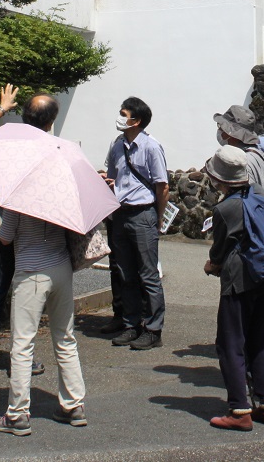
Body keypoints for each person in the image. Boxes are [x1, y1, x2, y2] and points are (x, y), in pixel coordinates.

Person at [0, 94, 86, 437]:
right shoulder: (65, 163)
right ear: (51, 120)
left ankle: (17, 413)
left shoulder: (20, 173)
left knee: (23, 342)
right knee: (65, 338)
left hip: (30, 268)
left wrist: (4, 215)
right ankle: (74, 405)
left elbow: (6, 236)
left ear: (26, 119)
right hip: (60, 264)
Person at [202, 145, 264, 431]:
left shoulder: (225, 209)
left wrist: (212, 265)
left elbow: (219, 252)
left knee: (231, 343)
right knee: (261, 339)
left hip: (239, 280)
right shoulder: (260, 194)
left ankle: (239, 410)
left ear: (219, 179)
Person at [0, 84, 45, 377]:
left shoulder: (4, 140)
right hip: (31, 234)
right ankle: (23, 359)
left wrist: (3, 106)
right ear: (50, 121)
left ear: (24, 116)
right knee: (26, 297)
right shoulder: (48, 148)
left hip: (2, 227)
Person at [214, 105, 264, 368]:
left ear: (231, 132)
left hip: (250, 236)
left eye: (223, 128)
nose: (219, 132)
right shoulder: (258, 155)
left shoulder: (243, 160)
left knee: (257, 297)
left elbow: (243, 200)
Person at [103, 96, 169, 350]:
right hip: (120, 213)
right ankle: (131, 324)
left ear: (137, 120)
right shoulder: (117, 144)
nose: (120, 117)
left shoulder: (151, 147)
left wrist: (158, 218)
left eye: (124, 113)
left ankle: (153, 329)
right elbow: (113, 176)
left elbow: (162, 186)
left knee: (148, 274)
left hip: (143, 214)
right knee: (125, 272)